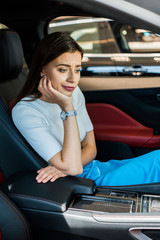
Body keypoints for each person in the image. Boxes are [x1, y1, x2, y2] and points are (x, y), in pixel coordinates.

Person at [12, 32, 160, 186]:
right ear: (42, 69)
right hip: (82, 184)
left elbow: (91, 146)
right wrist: (67, 108)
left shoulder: (74, 92)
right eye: (63, 70)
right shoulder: (26, 111)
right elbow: (74, 169)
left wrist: (66, 168)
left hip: (95, 168)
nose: (72, 78)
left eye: (77, 69)